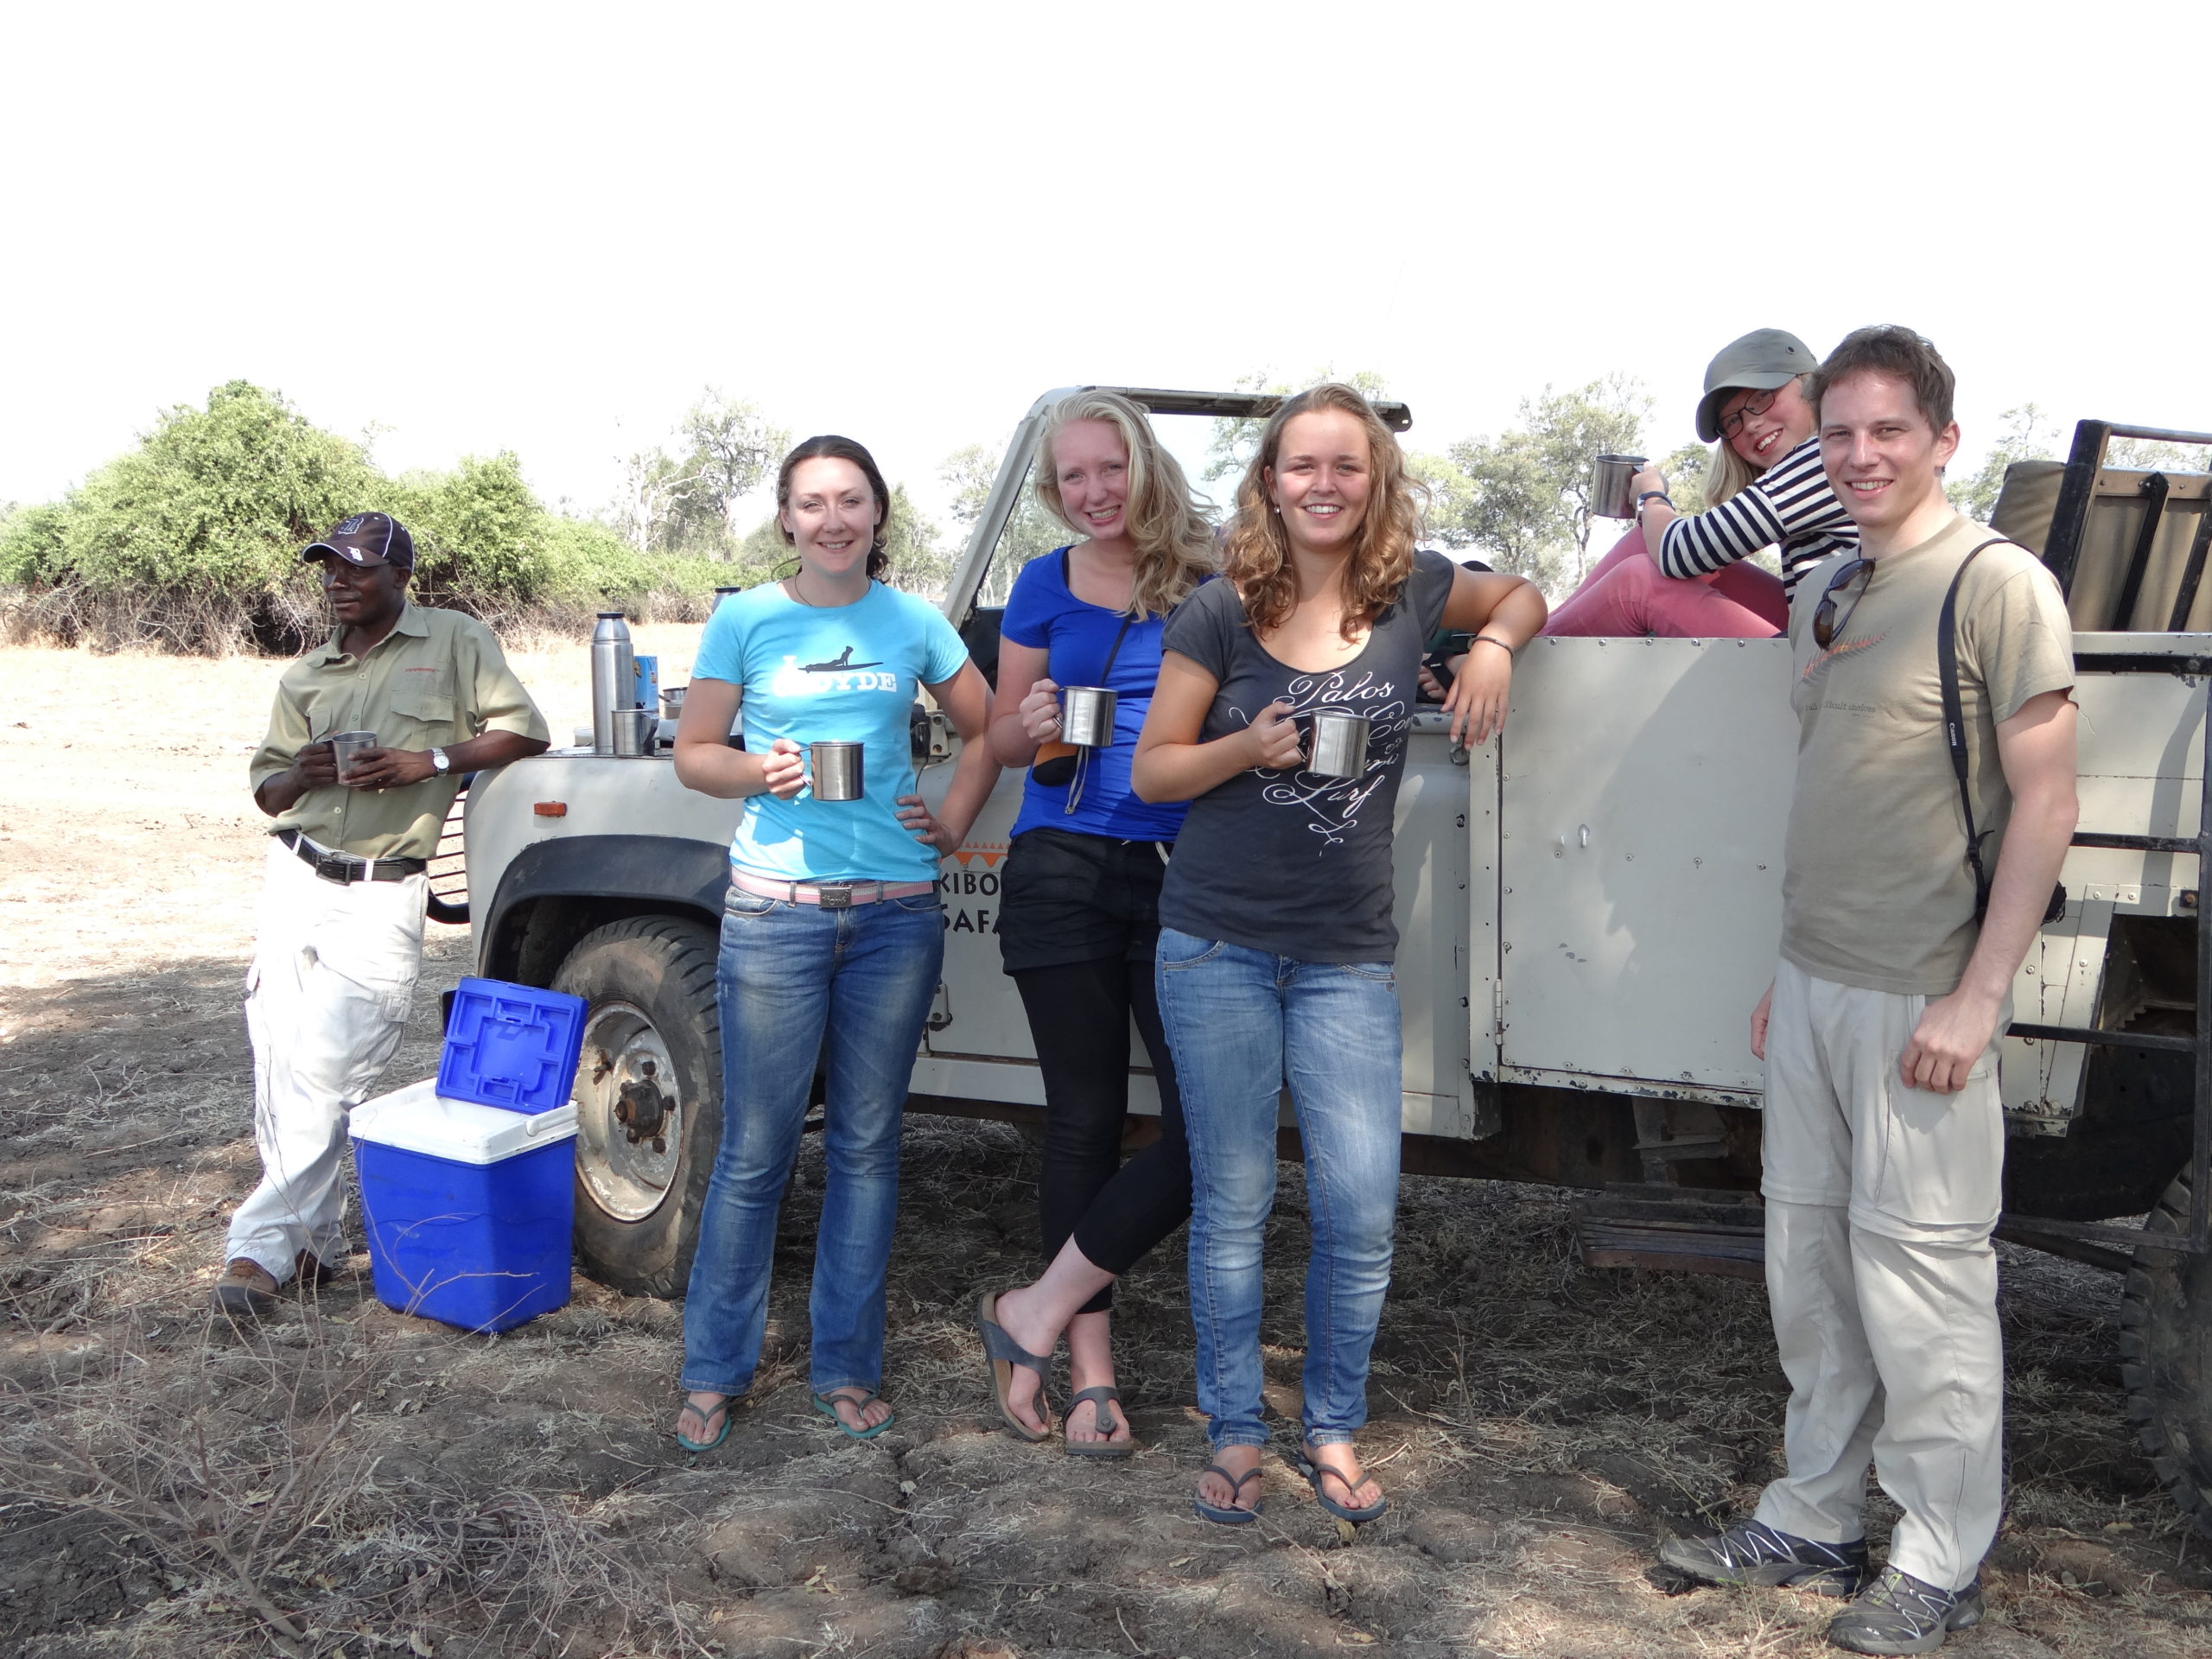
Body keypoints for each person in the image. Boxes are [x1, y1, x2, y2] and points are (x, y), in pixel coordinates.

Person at [1658, 328, 2077, 1656]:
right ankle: (1816, 1512)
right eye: (1838, 432)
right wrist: (1791, 977)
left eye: (1889, 430)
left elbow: (2047, 803)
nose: (1861, 455)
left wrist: (1979, 995)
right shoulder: (1830, 583)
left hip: (1925, 998)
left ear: (1943, 439)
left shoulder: (1997, 586)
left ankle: (1940, 1555)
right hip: (1817, 983)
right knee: (1813, 1265)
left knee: (1926, 1283)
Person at [1131, 384, 1547, 1525]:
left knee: (1361, 1210)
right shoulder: (1221, 610)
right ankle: (1232, 1432)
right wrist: (1243, 747)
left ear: (1377, 482)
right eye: (1302, 465)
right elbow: (1153, 771)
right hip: (1214, 944)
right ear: (1270, 479)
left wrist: (1496, 647)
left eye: (1347, 467)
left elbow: (1522, 592)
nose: (1324, 484)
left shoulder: (1411, 589)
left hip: (1344, 957)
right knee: (1234, 1203)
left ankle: (1334, 1425)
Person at [669, 435, 1000, 1451]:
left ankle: (846, 1369)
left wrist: (949, 822)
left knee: (865, 1149)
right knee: (756, 1151)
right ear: (786, 519)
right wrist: (751, 773)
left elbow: (987, 730)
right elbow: (693, 755)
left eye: (850, 501)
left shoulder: (912, 622)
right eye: (811, 504)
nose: (832, 520)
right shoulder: (745, 620)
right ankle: (712, 1369)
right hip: (775, 916)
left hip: (896, 916)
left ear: (877, 515)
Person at [218, 512, 550, 1316]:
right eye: (328, 568)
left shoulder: (454, 641)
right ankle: (314, 1245)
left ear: (400, 574)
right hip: (295, 878)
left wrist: (428, 761)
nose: (338, 581)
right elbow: (266, 791)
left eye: (357, 568)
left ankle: (255, 1250)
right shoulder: (306, 676)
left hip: (382, 888)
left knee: (331, 1076)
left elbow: (524, 733)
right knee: (280, 1064)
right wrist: (298, 774)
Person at [973, 391, 1215, 1457]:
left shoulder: (1212, 568)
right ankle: (1091, 1381)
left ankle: (1029, 1307)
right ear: (1052, 490)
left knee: (1208, 1130)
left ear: (1143, 463)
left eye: (1108, 467)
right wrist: (1026, 724)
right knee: (1083, 1120)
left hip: (1184, 870)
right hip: (1062, 865)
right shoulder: (1041, 583)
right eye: (1072, 476)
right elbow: (1006, 739)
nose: (1094, 491)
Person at [1541, 328, 1854, 638]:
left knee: (1637, 584)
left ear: (1810, 386)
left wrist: (1651, 496)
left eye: (1763, 397)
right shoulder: (1819, 459)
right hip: (1823, 625)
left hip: (1842, 653)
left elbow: (1677, 552)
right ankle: (1532, 629)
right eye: (1732, 420)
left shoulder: (1824, 456)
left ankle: (1522, 659)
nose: (1751, 424)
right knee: (1645, 542)